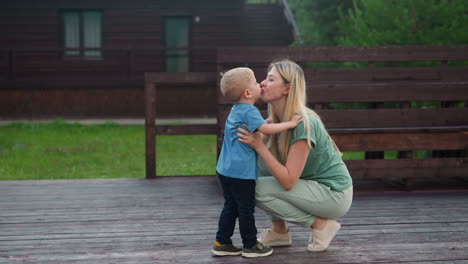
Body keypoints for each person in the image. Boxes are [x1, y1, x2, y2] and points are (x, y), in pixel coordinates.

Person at [237, 59, 353, 252]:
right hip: (312, 186)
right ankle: (279, 231)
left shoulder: (302, 124)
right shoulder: (277, 121)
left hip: (333, 194)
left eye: (271, 79)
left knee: (251, 188)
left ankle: (320, 225)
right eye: (266, 78)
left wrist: (260, 146)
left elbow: (289, 181)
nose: (263, 83)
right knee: (253, 167)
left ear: (287, 88)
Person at [212, 67, 302, 258]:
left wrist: (267, 121)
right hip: (240, 173)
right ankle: (250, 245)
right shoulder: (249, 110)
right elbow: (265, 130)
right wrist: (290, 124)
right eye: (255, 82)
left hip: (225, 170)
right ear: (247, 93)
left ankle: (222, 242)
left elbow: (259, 126)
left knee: (231, 206)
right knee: (245, 209)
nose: (260, 84)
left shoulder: (237, 110)